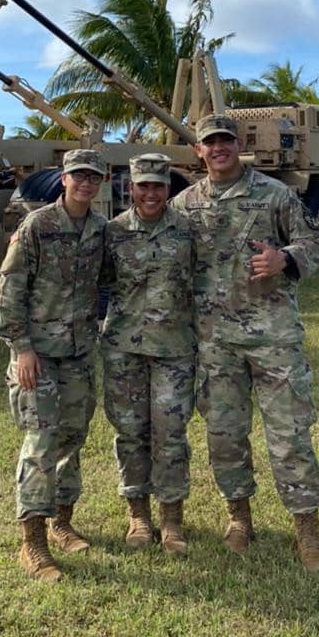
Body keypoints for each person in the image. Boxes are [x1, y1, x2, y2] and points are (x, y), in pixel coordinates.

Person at [171, 113, 319, 572]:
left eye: (225, 140)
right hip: (215, 342)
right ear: (199, 151)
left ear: (238, 144)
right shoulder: (184, 206)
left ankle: (307, 533)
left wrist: (286, 258)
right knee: (224, 435)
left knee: (290, 436)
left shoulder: (274, 194)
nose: (218, 148)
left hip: (273, 337)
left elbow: (315, 240)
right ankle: (239, 518)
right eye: (209, 142)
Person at [0, 148, 108, 582]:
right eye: (78, 175)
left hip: (78, 354)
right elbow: (9, 288)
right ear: (63, 179)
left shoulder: (99, 230)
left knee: (73, 437)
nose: (85, 183)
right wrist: (20, 347)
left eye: (93, 177)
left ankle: (62, 521)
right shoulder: (37, 225)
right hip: (37, 356)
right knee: (41, 443)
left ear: (100, 183)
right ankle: (33, 543)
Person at [100, 153, 196, 555]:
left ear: (168, 189)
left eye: (158, 185)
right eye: (143, 185)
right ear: (131, 188)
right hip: (124, 350)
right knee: (131, 433)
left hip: (174, 349)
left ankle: (172, 520)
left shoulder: (189, 232)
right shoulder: (112, 233)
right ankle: (138, 515)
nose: (151, 193)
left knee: (170, 434)